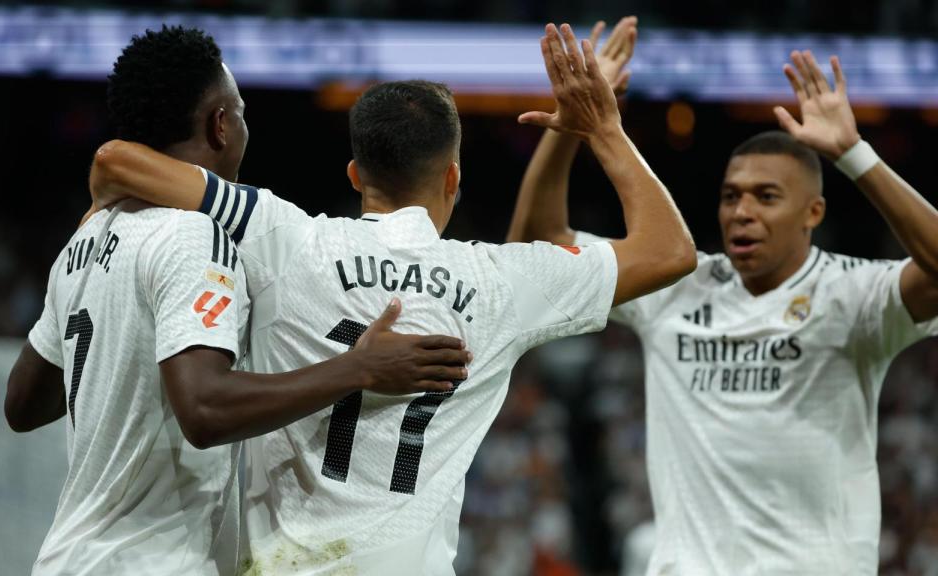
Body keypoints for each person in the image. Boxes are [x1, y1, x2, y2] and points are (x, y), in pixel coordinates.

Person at [87, 22, 695, 575]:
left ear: (355, 174)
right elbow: (670, 251)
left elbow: (119, 160)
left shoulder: (283, 236)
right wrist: (602, 128)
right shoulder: (498, 280)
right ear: (454, 178)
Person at [5, 26, 469, 575]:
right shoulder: (195, 235)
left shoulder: (85, 239)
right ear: (220, 126)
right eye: (242, 112)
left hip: (66, 556)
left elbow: (23, 404)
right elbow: (204, 409)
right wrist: (357, 367)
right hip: (151, 562)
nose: (247, 127)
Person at [508, 48, 938, 574]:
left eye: (766, 196)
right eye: (731, 196)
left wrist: (853, 153)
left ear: (814, 212)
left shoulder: (855, 293)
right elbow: (537, 242)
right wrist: (570, 126)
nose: (742, 212)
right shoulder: (676, 285)